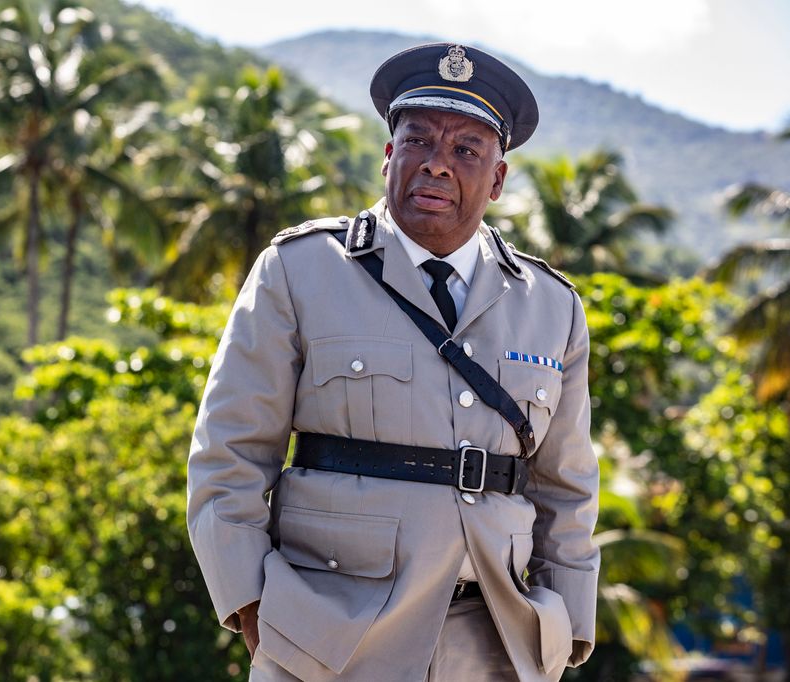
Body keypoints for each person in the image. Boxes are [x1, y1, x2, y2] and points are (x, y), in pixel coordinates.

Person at [187, 42, 599, 681]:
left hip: (495, 643)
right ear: (388, 156)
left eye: (466, 150)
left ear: (497, 179)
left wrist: (566, 630)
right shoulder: (300, 270)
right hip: (326, 637)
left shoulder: (553, 307)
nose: (437, 165)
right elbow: (230, 450)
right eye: (419, 142)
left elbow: (565, 486)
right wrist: (249, 603)